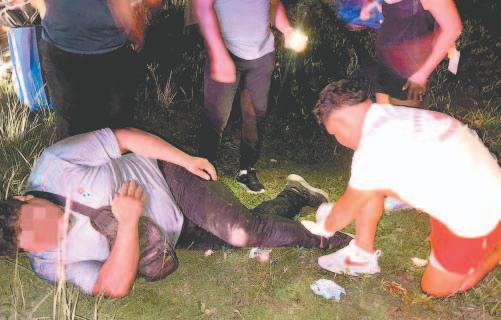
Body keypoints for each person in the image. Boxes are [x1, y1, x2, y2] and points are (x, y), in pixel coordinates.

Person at [0, 128, 351, 298]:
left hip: (168, 178)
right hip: (171, 236)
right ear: (25, 252)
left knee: (243, 230)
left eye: (40, 219)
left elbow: (124, 138)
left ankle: (334, 240)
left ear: (24, 197)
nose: (53, 230)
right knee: (245, 235)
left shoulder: (55, 164)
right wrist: (128, 223)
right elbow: (113, 286)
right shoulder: (49, 264)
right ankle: (295, 193)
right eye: (41, 240)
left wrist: (185, 160)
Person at [304, 79, 501, 297]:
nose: (339, 140)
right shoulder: (388, 114)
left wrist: (324, 227)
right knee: (369, 187)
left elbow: (345, 211)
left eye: (335, 134)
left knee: (435, 288)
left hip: (476, 216)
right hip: (487, 187)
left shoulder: (372, 149)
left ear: (342, 124)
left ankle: (499, 249)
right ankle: (362, 254)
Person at [194, 0, 307, 194]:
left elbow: (273, 4)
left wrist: (287, 30)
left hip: (262, 55)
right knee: (216, 115)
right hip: (224, 49)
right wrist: (218, 54)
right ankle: (204, 166)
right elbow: (202, 7)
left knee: (255, 116)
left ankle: (246, 170)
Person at [31, 0, 148, 139]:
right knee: (75, 128)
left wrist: (134, 24)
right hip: (61, 48)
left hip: (111, 47)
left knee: (115, 126)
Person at [360, 0, 462, 107]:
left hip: (409, 71)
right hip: (385, 62)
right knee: (384, 114)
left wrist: (422, 74)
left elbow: (452, 29)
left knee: (401, 116)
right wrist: (370, 8)